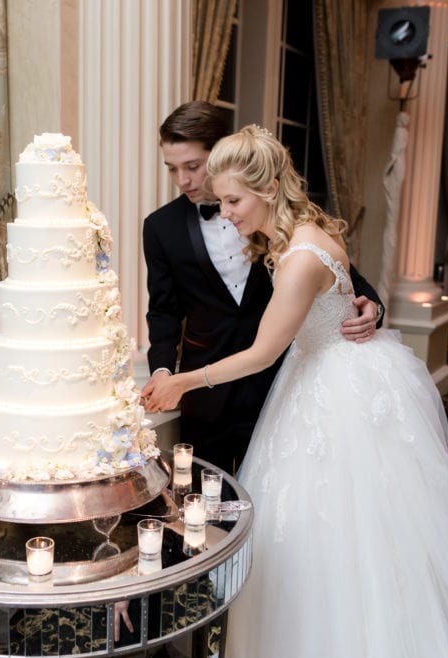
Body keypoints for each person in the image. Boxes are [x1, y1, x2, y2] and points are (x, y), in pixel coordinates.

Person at [143, 125, 448, 658]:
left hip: (330, 392)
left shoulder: (300, 255)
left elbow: (265, 351)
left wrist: (183, 382)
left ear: (267, 190)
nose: (227, 211)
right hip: (325, 375)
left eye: (235, 200)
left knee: (339, 527)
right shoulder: (301, 235)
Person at [142, 101, 382, 473]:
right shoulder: (161, 227)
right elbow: (163, 309)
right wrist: (163, 372)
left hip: (281, 383)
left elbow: (344, 277)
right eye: (172, 170)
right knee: (206, 504)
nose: (183, 180)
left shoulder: (290, 229)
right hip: (208, 397)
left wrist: (371, 308)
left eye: (192, 166)